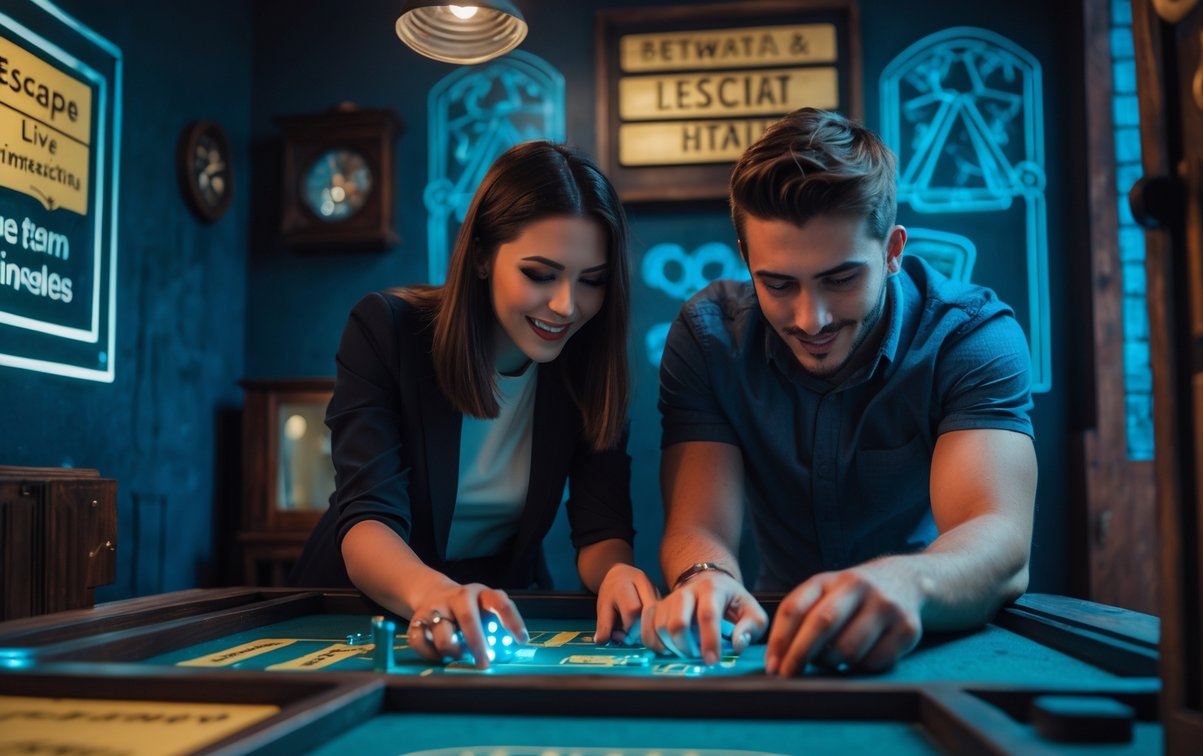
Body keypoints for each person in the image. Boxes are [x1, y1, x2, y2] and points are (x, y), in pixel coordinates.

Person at [643, 108, 1037, 675]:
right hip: (769, 633)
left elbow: (999, 536)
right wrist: (706, 577)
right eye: (778, 284)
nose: (812, 319)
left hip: (935, 623)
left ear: (893, 250)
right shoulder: (708, 338)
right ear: (746, 259)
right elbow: (698, 523)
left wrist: (905, 578)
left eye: (841, 279)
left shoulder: (971, 334)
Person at [291, 141, 657, 667]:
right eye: (540, 274)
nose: (566, 305)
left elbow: (601, 534)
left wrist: (618, 573)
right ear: (483, 256)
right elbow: (369, 519)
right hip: (357, 612)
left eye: (592, 281)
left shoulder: (590, 362)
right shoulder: (386, 330)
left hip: (501, 617)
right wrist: (434, 596)